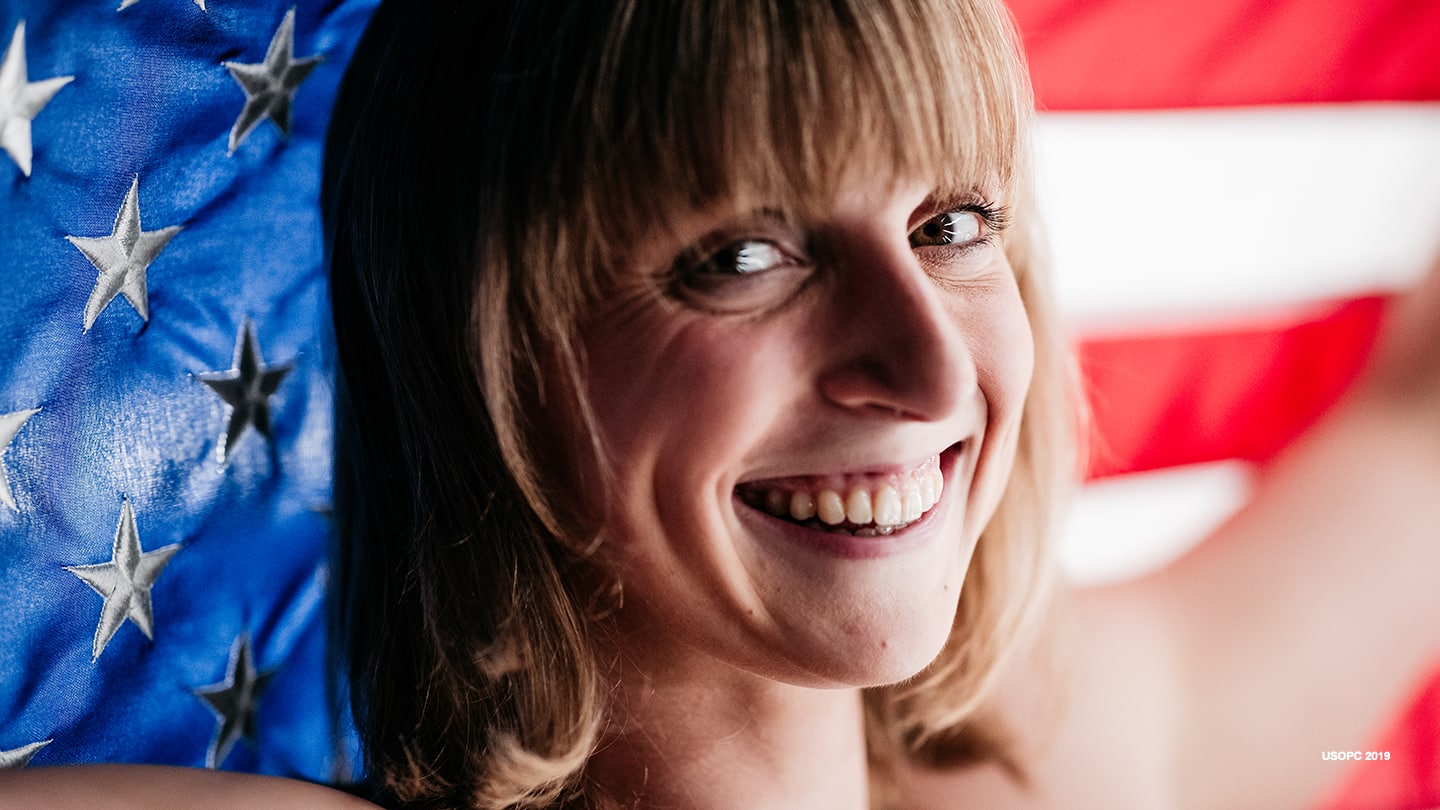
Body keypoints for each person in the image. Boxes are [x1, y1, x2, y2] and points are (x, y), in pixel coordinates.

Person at [3, 0, 1437, 807]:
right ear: (491, 352)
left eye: (953, 226)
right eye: (744, 258)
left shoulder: (1068, 761)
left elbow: (1414, 452)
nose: (933, 372)